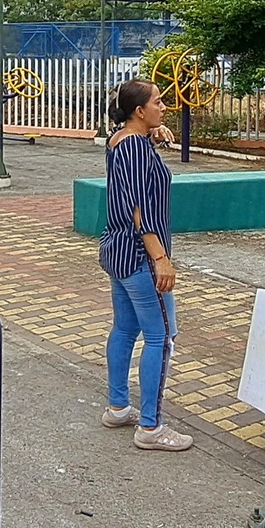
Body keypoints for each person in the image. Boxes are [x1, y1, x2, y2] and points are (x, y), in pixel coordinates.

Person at [98, 78, 192, 452]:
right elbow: (140, 210)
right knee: (161, 337)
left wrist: (152, 135)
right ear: (139, 111)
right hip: (140, 255)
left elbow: (133, 165)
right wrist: (160, 259)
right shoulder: (135, 148)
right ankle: (151, 427)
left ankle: (118, 406)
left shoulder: (119, 140)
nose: (164, 106)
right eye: (158, 102)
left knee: (124, 328)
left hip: (118, 252)